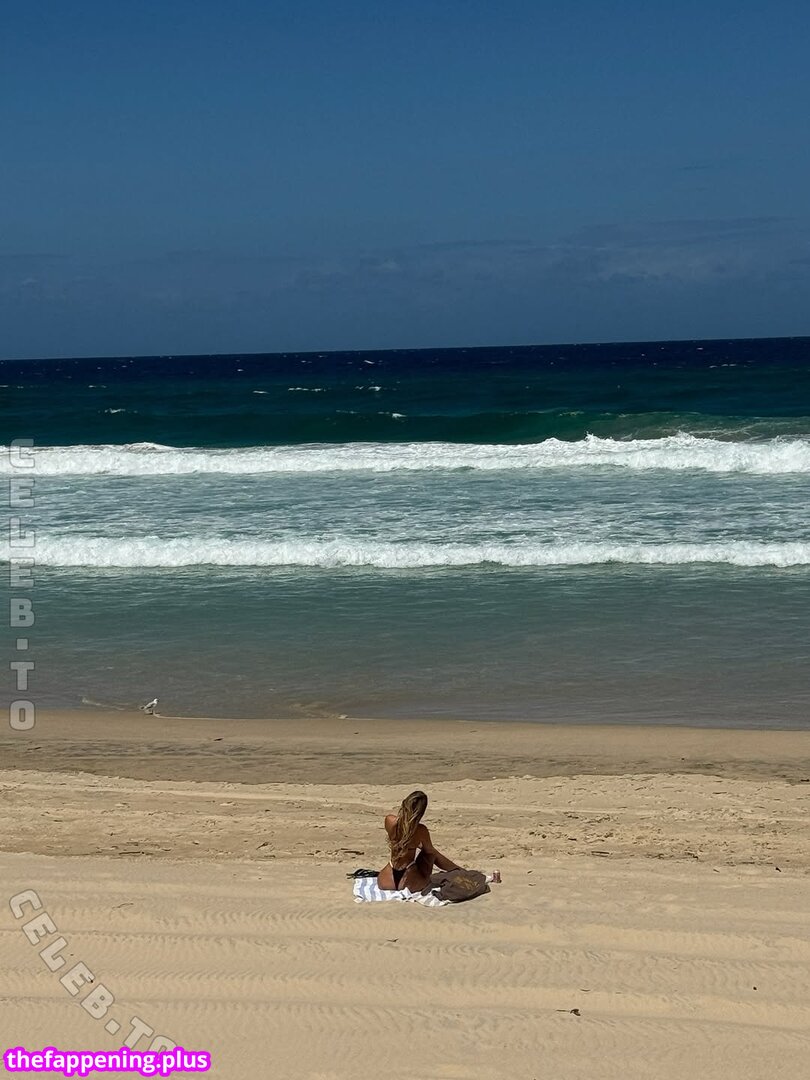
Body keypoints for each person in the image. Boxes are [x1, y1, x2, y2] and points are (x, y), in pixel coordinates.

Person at [377, 789, 500, 892]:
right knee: (429, 853)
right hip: (410, 882)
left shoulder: (390, 821)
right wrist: (457, 869)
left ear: (404, 804)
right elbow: (432, 853)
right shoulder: (420, 830)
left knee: (425, 850)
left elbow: (402, 835)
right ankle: (457, 870)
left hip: (386, 880)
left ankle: (456, 869)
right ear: (421, 813)